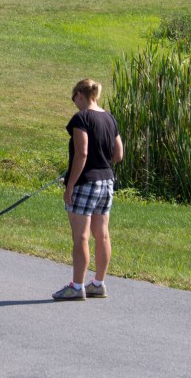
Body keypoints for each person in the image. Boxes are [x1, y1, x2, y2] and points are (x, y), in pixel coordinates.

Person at [53, 79, 123, 301]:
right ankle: (99, 283)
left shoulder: (81, 118)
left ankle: (77, 286)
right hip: (106, 181)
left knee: (81, 236)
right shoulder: (109, 117)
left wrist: (70, 184)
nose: (74, 103)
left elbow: (81, 153)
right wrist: (101, 159)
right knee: (101, 234)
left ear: (80, 95)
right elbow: (118, 155)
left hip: (85, 183)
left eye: (74, 98)